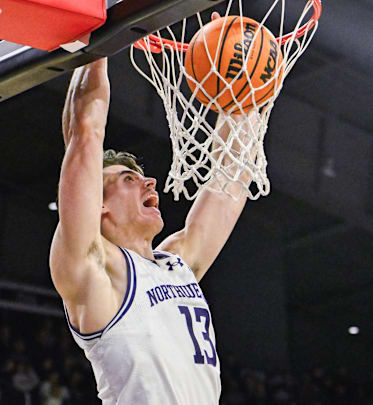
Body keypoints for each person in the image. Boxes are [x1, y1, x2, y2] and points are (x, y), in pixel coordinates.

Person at [49, 17, 254, 404]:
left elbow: (231, 179)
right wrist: (97, 45)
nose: (149, 183)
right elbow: (84, 132)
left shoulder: (179, 262)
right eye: (128, 179)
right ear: (99, 203)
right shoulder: (94, 269)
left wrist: (243, 90)